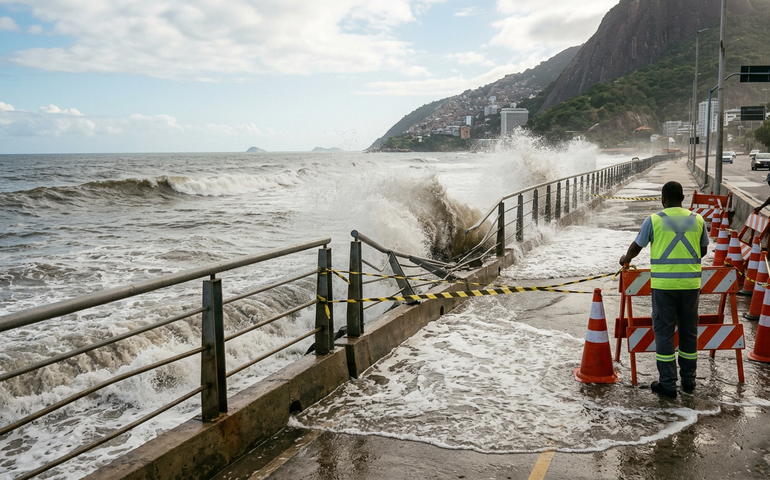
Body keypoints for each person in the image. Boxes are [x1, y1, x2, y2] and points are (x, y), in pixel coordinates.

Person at [619, 181, 709, 398]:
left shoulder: (654, 220)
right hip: (690, 286)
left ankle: (668, 384)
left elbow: (637, 246)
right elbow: (703, 250)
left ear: (663, 199)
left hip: (664, 287)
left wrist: (625, 259)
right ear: (683, 199)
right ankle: (689, 381)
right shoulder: (697, 219)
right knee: (689, 332)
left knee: (664, 333)